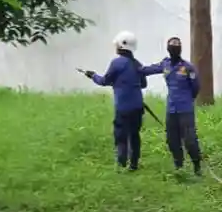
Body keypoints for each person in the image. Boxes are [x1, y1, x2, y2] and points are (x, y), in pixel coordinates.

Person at [85, 31, 149, 171]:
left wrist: (92, 75)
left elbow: (104, 81)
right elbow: (144, 84)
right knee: (134, 135)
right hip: (138, 107)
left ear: (121, 46)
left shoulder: (117, 63)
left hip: (123, 107)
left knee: (121, 135)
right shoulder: (138, 64)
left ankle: (121, 164)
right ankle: (134, 164)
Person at [141, 36, 202, 175]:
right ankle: (179, 166)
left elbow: (196, 87)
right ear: (168, 49)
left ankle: (197, 165)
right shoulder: (165, 64)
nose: (174, 48)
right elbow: (147, 70)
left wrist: (188, 98)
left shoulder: (188, 67)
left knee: (189, 140)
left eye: (177, 46)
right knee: (172, 140)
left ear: (180, 49)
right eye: (172, 46)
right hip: (171, 108)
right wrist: (133, 65)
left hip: (185, 109)